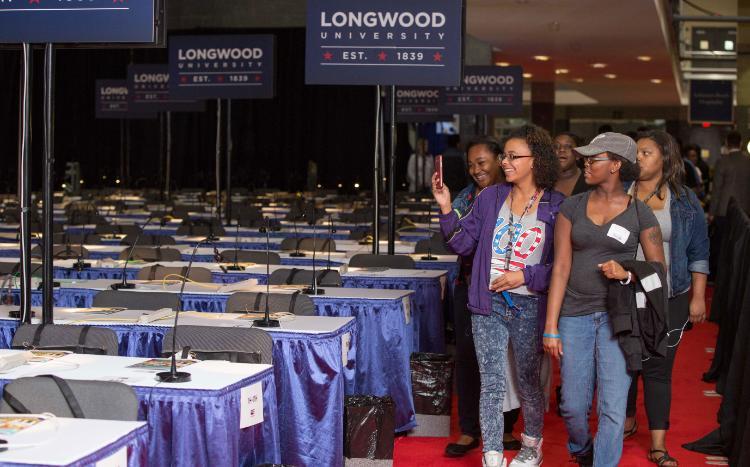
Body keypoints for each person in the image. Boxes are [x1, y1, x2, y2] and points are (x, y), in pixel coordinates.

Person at [434, 125, 564, 467]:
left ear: (536, 161)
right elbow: (463, 244)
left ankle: (531, 447)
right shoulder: (490, 197)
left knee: (527, 381)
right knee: (490, 381)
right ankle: (492, 454)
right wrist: (447, 210)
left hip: (530, 303)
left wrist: (525, 275)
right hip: (487, 303)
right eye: (504, 155)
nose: (504, 162)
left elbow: (562, 266)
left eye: (512, 156)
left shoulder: (556, 205)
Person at [543, 132, 665, 467]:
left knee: (612, 407)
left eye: (593, 158)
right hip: (574, 315)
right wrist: (551, 325)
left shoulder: (639, 213)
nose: (585, 162)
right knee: (571, 406)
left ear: (615, 165)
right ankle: (582, 450)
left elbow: (658, 271)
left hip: (619, 319)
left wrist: (626, 272)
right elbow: (561, 266)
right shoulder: (572, 206)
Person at [620, 130, 710, 466]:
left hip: (669, 296)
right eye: (636, 152)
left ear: (665, 159)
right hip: (624, 295)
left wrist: (698, 298)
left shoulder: (685, 201)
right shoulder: (618, 195)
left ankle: (658, 444)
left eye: (646, 152)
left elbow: (699, 251)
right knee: (625, 363)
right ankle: (626, 421)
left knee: (658, 368)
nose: (638, 158)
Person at [443, 136, 523, 458]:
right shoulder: (464, 197)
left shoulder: (515, 196)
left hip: (508, 288)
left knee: (508, 360)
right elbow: (458, 243)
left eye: (483, 162)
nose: (477, 169)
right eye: (472, 164)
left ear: (500, 161)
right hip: (468, 286)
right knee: (467, 359)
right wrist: (446, 209)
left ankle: (505, 427)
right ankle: (468, 429)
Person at [553, 132, 589, 196]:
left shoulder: (589, 180)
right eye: (556, 146)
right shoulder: (543, 181)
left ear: (578, 155)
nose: (561, 149)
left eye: (568, 146)